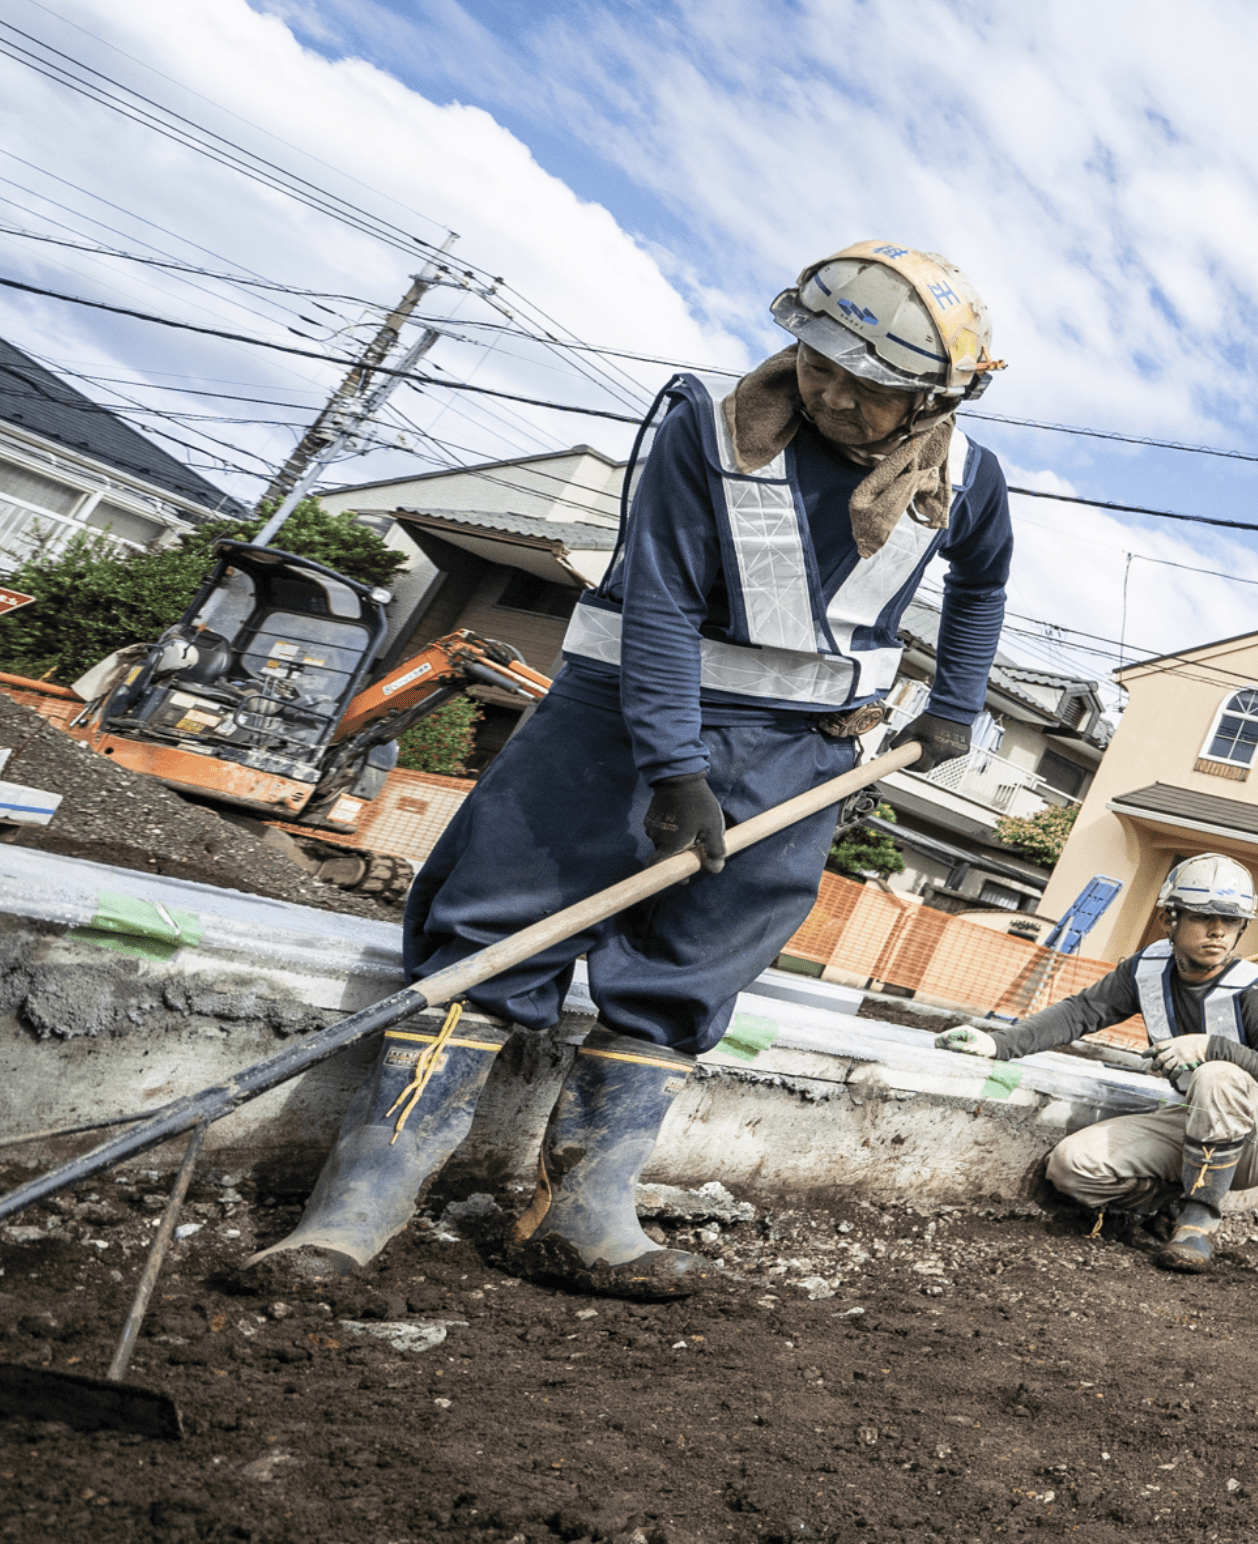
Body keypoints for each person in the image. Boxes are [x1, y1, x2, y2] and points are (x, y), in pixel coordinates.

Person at [240, 241, 1013, 1300]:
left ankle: (579, 1206)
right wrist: (675, 765)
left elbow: (983, 585)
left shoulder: (966, 478)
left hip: (800, 758)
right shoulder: (710, 429)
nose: (829, 392)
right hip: (618, 725)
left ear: (931, 398)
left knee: (685, 972)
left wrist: (959, 705)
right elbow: (655, 605)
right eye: (816, 361)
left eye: (865, 385)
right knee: (500, 927)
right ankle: (359, 1201)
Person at [933, 854, 1258, 1274]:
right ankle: (1163, 1208)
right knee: (1072, 1167)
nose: (1219, 931)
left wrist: (1212, 1046)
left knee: (1215, 1073)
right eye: (1204, 917)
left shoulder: (1257, 992)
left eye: (1232, 921)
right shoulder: (1146, 969)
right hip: (1194, 1121)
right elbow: (1082, 1011)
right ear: (1170, 918)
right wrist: (996, 1044)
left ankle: (1197, 1222)